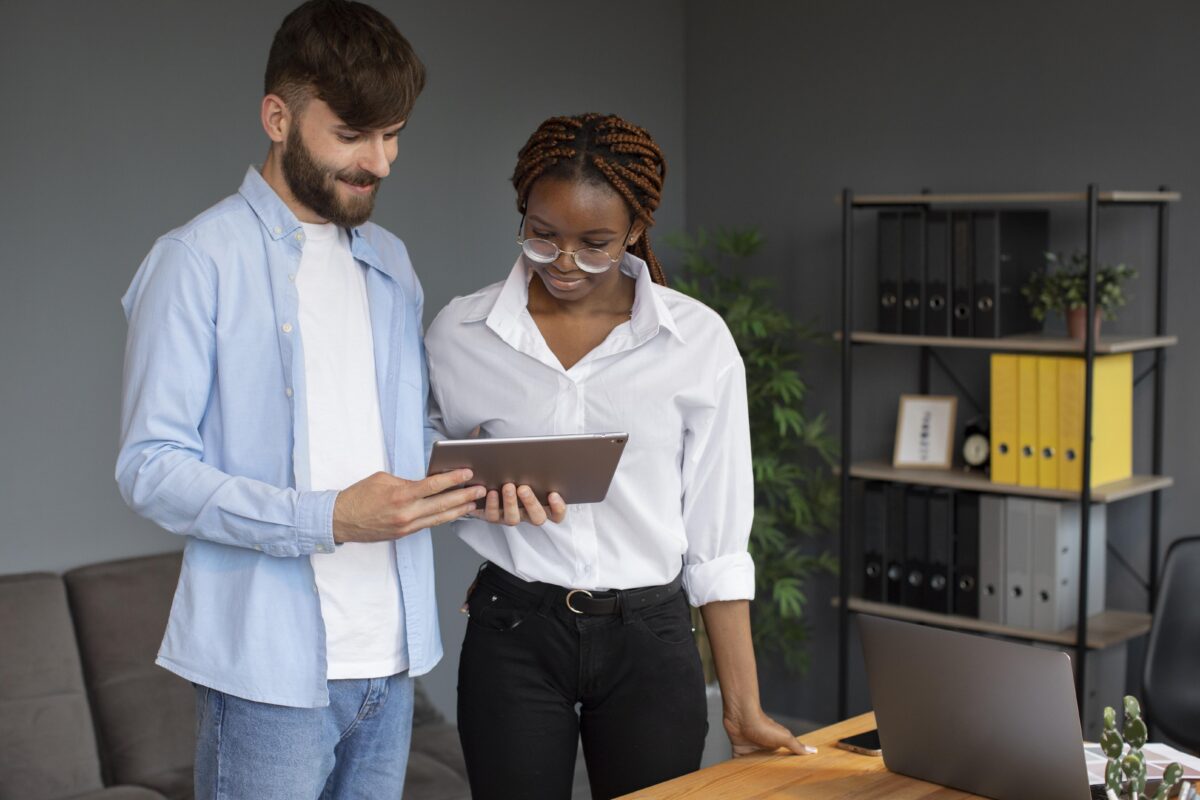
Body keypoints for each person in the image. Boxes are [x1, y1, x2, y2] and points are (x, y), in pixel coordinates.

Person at [115, 2, 485, 797]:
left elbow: (393, 437)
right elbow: (149, 467)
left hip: (393, 660)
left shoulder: (391, 262)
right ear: (278, 117)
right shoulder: (195, 260)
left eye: (393, 136)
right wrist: (325, 519)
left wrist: (478, 474)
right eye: (352, 135)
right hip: (266, 675)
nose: (379, 163)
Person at [425, 113, 815, 800]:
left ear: (635, 228)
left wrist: (743, 704)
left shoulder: (696, 342)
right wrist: (473, 488)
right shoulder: (462, 332)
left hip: (651, 636)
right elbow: (420, 463)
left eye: (595, 243)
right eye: (543, 236)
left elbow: (718, 540)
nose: (565, 263)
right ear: (523, 213)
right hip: (512, 630)